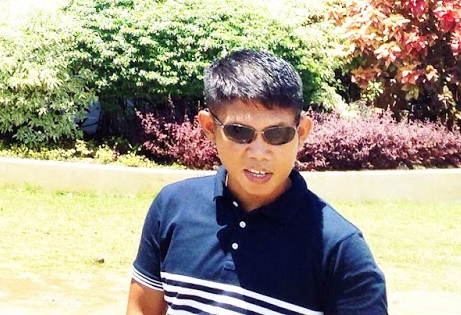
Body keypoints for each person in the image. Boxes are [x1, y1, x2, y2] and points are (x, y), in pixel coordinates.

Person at [127, 48, 387, 315]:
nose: (259, 152)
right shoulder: (172, 207)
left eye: (277, 134)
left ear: (302, 132)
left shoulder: (341, 250)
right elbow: (141, 308)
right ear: (209, 128)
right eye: (240, 132)